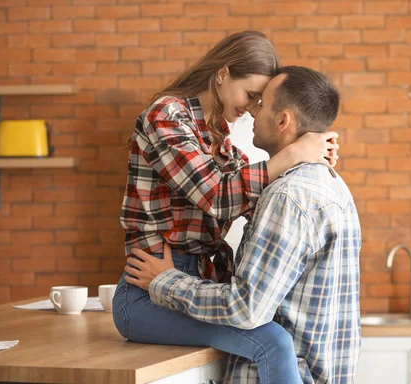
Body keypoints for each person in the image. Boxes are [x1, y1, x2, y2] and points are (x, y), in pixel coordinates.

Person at [113, 31, 340, 384]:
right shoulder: (167, 116)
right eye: (252, 95)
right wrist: (292, 153)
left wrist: (308, 164)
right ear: (223, 73)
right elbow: (217, 195)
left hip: (196, 285)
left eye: (259, 101)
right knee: (274, 343)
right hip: (147, 292)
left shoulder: (219, 134)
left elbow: (255, 202)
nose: (252, 109)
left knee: (277, 335)